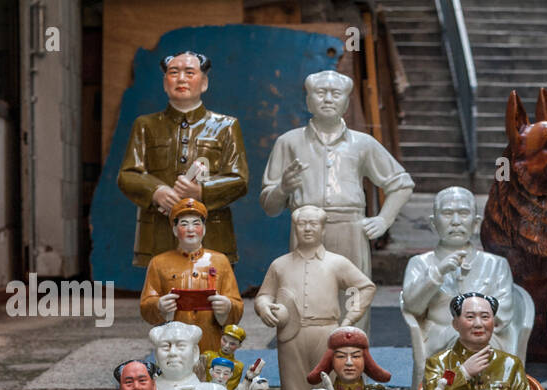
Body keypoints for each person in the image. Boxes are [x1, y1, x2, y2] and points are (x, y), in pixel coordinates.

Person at [259, 67, 414, 324]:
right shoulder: (288, 142)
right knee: (302, 294)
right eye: (320, 93)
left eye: (335, 93)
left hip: (350, 228)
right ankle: (308, 358)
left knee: (353, 296)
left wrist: (384, 219)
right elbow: (269, 206)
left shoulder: (362, 143)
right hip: (304, 229)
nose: (328, 98)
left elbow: (401, 183)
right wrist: (282, 188)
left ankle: (351, 356)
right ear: (308, 101)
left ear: (346, 102)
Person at [117, 51, 248, 266]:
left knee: (210, 291)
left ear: (204, 83)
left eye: (189, 73)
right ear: (164, 83)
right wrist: (155, 191)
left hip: (211, 233)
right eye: (174, 72)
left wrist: (202, 191)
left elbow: (239, 179)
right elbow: (127, 174)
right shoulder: (145, 125)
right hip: (159, 233)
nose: (181, 79)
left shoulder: (226, 126)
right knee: (162, 293)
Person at [400, 186, 532, 390]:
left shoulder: (496, 264)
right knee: (458, 346)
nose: (455, 221)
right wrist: (438, 273)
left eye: (463, 213)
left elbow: (503, 316)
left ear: (476, 223)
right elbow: (412, 307)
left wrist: (473, 328)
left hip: (487, 339)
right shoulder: (420, 264)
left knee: (481, 348)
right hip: (439, 340)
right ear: (434, 224)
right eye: (447, 214)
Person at [256, 205, 377, 390]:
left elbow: (364, 287)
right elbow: (265, 294)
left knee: (328, 386)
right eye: (302, 224)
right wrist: (264, 307)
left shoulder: (336, 263)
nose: (308, 229)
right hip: (289, 335)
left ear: (323, 229)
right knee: (293, 389)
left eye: (313, 224)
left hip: (326, 332)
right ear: (295, 228)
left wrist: (349, 319)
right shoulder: (280, 265)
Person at [137, 198, 244, 355]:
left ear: (204, 229)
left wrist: (227, 307)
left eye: (196, 223)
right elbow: (146, 304)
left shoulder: (220, 261)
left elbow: (236, 304)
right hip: (174, 344)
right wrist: (159, 305)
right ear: (175, 230)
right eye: (184, 224)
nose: (190, 229)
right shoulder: (158, 263)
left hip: (211, 341)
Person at [421, 292, 533, 390]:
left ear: (494, 323)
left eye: (485, 317)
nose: (478, 324)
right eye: (470, 317)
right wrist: (463, 373)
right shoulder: (438, 362)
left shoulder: (510, 363)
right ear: (455, 324)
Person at [305, 326, 394, 390]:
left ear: (365, 360)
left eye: (356, 356)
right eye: (341, 356)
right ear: (330, 361)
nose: (349, 362)